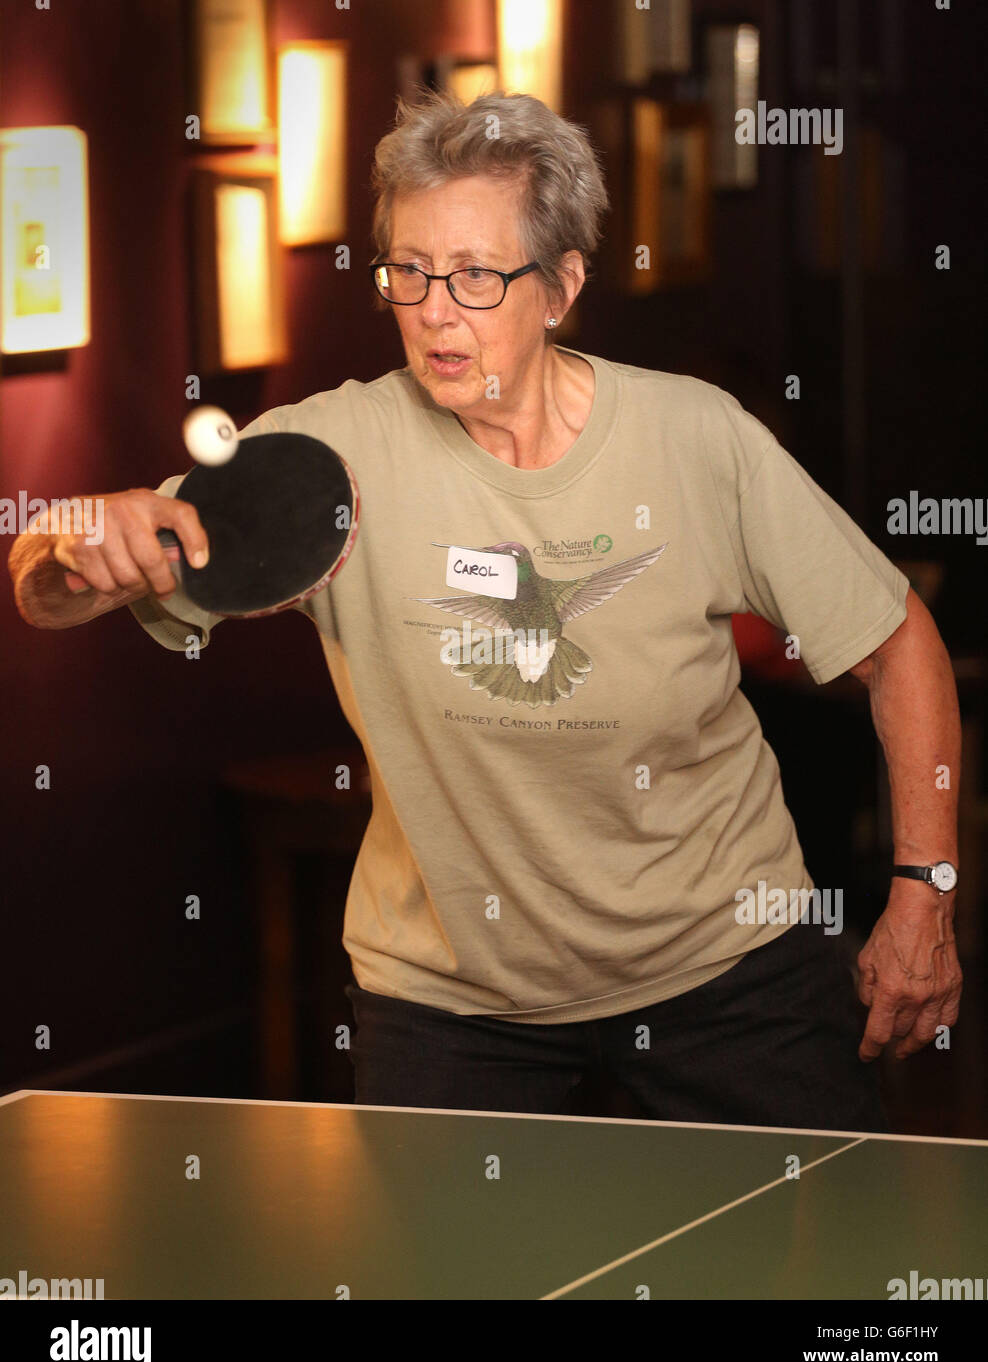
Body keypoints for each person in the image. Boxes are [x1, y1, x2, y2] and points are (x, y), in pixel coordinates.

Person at [9, 90, 962, 1131]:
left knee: (820, 1278)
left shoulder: (697, 439)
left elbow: (895, 642)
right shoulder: (321, 460)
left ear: (560, 286)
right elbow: (51, 590)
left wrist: (923, 887)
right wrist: (67, 544)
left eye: (474, 275)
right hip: (452, 1002)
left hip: (724, 964)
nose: (433, 310)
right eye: (407, 272)